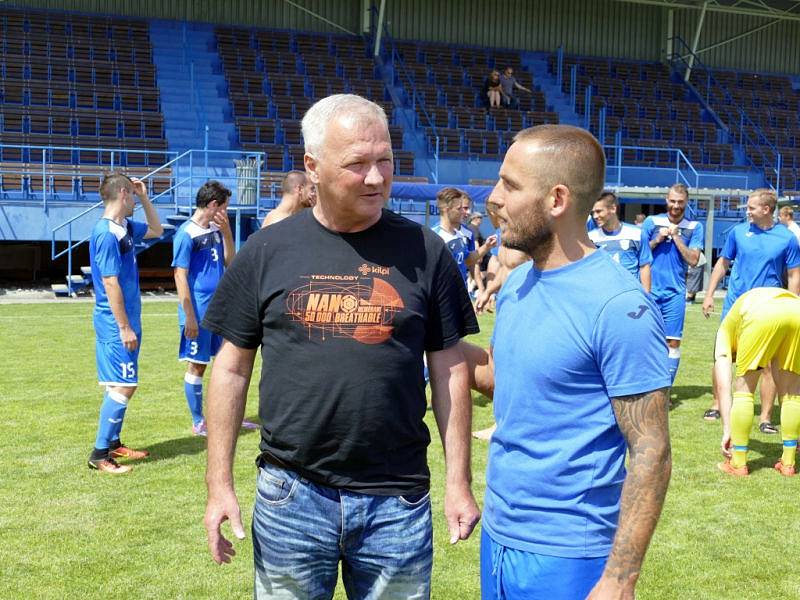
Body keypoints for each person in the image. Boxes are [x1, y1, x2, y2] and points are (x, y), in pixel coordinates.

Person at [201, 94, 481, 598]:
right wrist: (218, 483)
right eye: (357, 164)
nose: (376, 178)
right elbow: (231, 369)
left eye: (385, 160)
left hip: (396, 500)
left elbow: (450, 370)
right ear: (313, 166)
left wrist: (458, 480)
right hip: (291, 496)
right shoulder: (268, 249)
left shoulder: (426, 251)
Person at [477, 124, 672, 599]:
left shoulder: (618, 307)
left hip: (569, 556)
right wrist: (423, 343)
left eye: (510, 185)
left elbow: (651, 451)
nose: (493, 198)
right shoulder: (519, 284)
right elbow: (517, 384)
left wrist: (620, 578)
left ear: (557, 199)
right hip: (499, 537)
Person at [701, 189, 800, 429]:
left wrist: (793, 302)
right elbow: (722, 263)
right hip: (736, 305)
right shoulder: (737, 232)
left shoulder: (786, 238)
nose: (747, 211)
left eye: (751, 208)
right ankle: (717, 404)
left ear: (766, 210)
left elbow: (794, 273)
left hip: (769, 310)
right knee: (723, 358)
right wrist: (709, 294)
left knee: (767, 364)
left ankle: (765, 418)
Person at [87, 173, 163, 474]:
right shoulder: (106, 233)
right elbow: (109, 281)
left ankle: (115, 443)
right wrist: (124, 326)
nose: (133, 199)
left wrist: (145, 197)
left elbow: (157, 229)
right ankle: (99, 454)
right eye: (132, 194)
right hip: (115, 322)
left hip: (130, 318)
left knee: (120, 383)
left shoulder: (125, 227)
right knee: (125, 384)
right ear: (121, 193)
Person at [173, 181, 258, 436]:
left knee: (228, 362)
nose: (226, 211)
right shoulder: (185, 234)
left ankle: (229, 415)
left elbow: (230, 261)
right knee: (198, 365)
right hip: (198, 311)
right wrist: (189, 316)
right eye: (224, 207)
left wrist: (228, 233)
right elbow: (180, 275)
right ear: (213, 205)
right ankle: (199, 421)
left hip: (221, 306)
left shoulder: (216, 229)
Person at [714, 287, 800, 477]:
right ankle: (788, 463)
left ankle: (738, 464)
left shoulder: (723, 334)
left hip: (762, 313)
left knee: (743, 390)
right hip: (796, 309)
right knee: (792, 392)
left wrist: (727, 429)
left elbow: (723, 386)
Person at [642, 183, 704, 383]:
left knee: (672, 342)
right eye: (672, 201)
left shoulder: (694, 227)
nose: (676, 206)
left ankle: (665, 388)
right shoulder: (651, 222)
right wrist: (658, 239)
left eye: (680, 202)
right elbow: (639, 254)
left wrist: (677, 238)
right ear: (666, 200)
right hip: (648, 291)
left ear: (687, 202)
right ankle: (646, 386)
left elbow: (694, 260)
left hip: (675, 293)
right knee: (645, 341)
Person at [432, 187, 497, 288]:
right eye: (460, 208)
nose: (465, 212)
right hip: (442, 294)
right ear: (447, 209)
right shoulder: (434, 236)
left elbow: (467, 260)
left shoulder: (460, 235)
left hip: (461, 292)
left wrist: (486, 246)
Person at [589, 191, 652, 292]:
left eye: (599, 211)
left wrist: (647, 297)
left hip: (630, 295)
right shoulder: (591, 237)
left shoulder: (637, 234)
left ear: (613, 208)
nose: (595, 216)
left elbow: (644, 266)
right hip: (603, 295)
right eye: (593, 213)